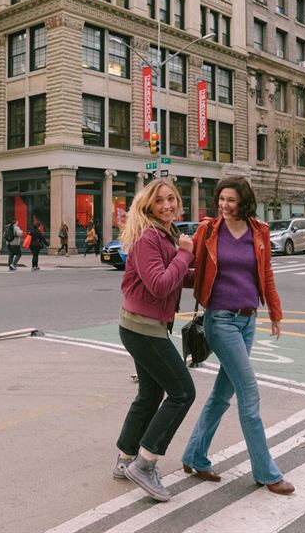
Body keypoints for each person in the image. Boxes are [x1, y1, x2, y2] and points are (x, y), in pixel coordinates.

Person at [181, 176, 295, 496]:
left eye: (230, 200)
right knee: (249, 393)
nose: (224, 205)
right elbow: (189, 265)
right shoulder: (209, 229)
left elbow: (266, 275)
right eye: (221, 199)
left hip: (248, 320)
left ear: (243, 202)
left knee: (221, 395)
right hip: (220, 320)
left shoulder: (259, 231)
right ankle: (266, 473)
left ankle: (194, 455)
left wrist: (275, 314)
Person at [113, 179, 196, 502]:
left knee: (150, 393)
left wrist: (195, 264)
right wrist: (185, 255)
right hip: (142, 328)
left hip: (144, 325)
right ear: (149, 205)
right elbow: (160, 285)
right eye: (160, 200)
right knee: (182, 392)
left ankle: (124, 460)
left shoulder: (166, 235)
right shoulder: (150, 237)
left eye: (172, 199)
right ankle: (145, 464)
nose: (167, 205)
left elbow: (173, 276)